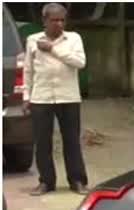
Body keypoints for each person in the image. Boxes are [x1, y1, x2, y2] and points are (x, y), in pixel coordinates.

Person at [23, 3, 89, 196]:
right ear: (44, 20)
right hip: (41, 98)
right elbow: (28, 70)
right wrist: (27, 97)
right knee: (42, 142)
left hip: (68, 97)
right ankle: (46, 182)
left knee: (72, 141)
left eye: (62, 19)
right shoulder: (32, 40)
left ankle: (77, 181)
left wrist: (52, 49)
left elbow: (80, 62)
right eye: (54, 20)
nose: (59, 24)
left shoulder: (73, 38)